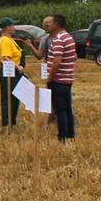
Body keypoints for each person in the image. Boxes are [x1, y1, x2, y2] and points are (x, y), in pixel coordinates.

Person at [40, 13, 77, 141]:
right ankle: (70, 134)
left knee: (60, 110)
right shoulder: (68, 37)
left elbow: (57, 61)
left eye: (50, 24)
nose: (47, 26)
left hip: (58, 80)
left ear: (55, 24)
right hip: (68, 79)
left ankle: (63, 136)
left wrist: (49, 78)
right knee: (67, 109)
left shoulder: (59, 39)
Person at [0, 18, 24, 127]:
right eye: (13, 25)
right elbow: (6, 58)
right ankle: (7, 124)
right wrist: (18, 67)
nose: (14, 28)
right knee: (8, 98)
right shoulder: (5, 40)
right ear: (7, 27)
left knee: (14, 99)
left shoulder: (10, 39)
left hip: (14, 71)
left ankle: (11, 122)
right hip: (8, 71)